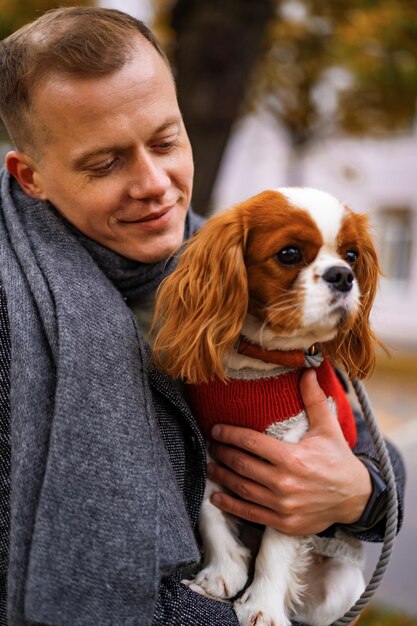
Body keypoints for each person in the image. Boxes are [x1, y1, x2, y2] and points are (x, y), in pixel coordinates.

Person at [0, 7, 404, 626]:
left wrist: (358, 495)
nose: (155, 184)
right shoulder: (16, 307)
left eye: (166, 141)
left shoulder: (223, 255)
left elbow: (362, 444)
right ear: (31, 175)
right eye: (105, 163)